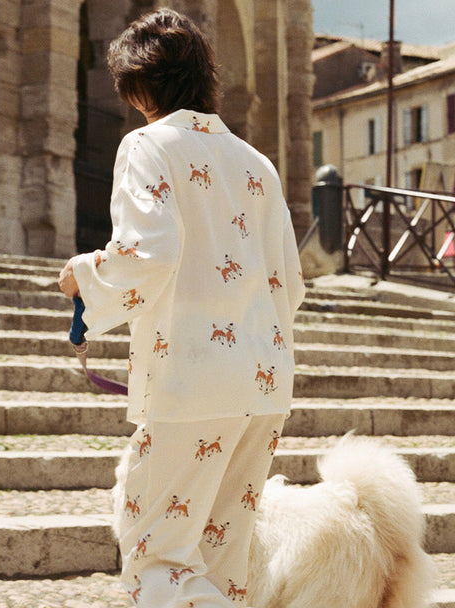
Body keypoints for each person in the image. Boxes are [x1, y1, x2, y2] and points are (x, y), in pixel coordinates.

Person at [56, 8, 305, 608]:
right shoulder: (258, 164)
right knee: (223, 566)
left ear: (140, 86)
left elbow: (148, 254)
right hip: (264, 383)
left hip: (193, 382)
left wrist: (82, 277)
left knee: (157, 561)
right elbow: (291, 285)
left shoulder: (148, 145)